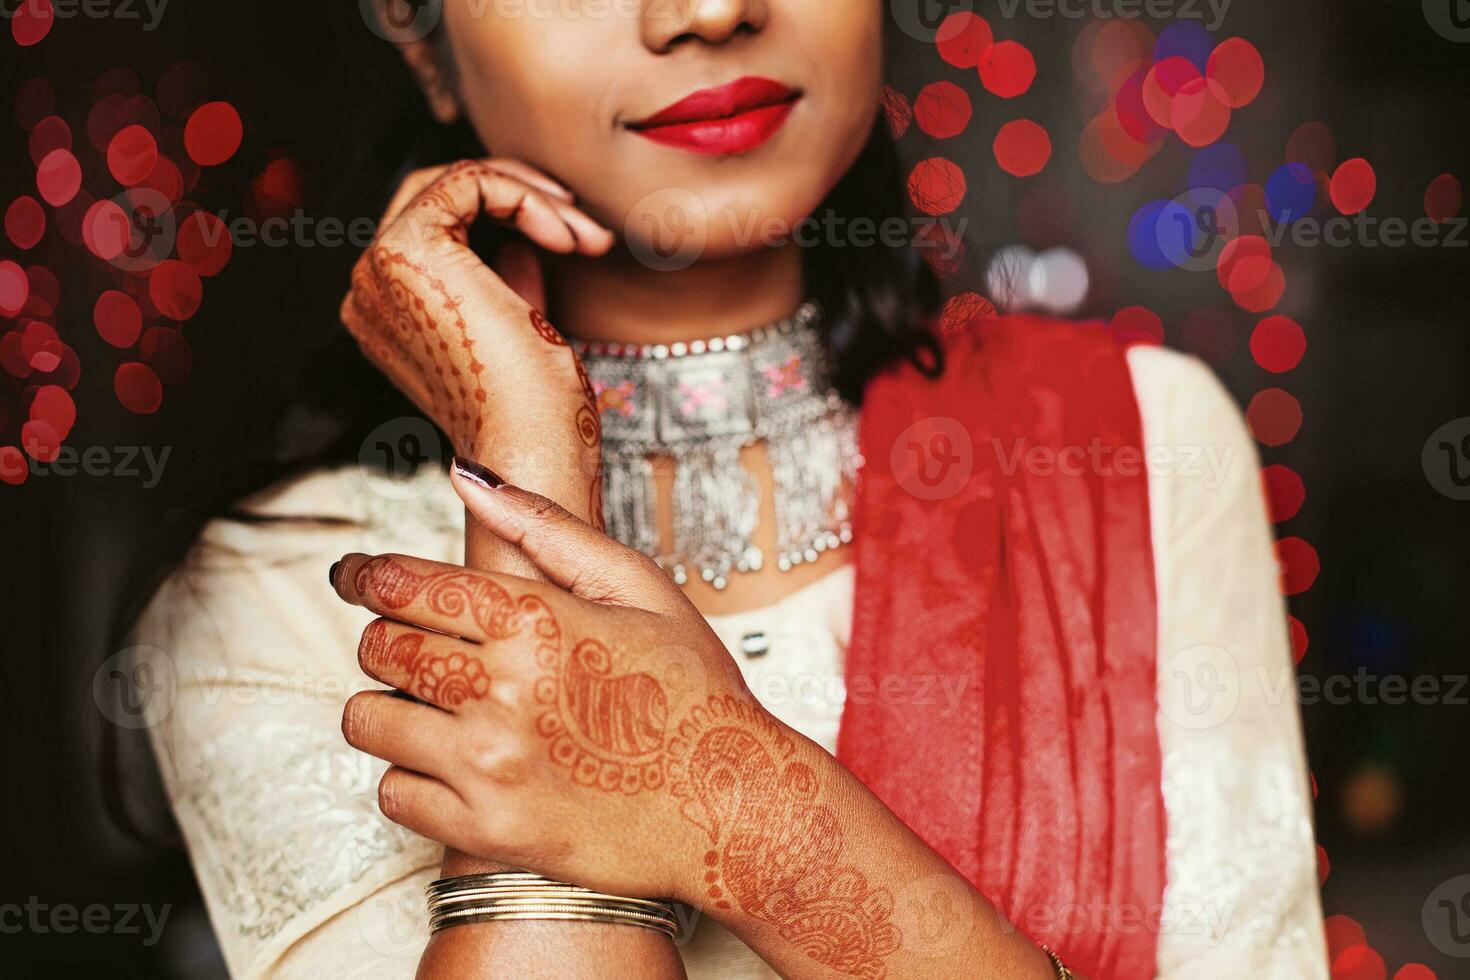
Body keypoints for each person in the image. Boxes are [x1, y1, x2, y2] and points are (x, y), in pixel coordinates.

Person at [130, 2, 1327, 976]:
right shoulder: (289, 592)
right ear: (423, 37)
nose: (709, 13)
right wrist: (530, 457)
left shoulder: (1128, 440)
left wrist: (730, 799)